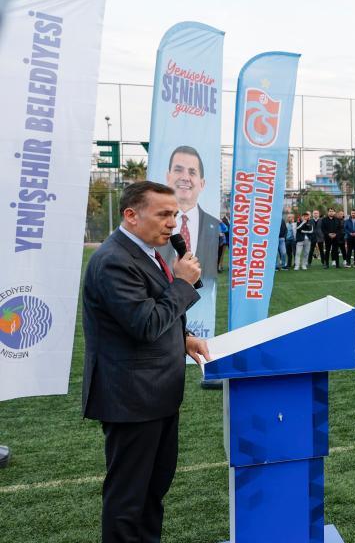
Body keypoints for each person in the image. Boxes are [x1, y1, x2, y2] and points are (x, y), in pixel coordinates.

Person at [81, 181, 209, 543]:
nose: (172, 223)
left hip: (157, 394)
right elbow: (145, 324)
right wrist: (183, 283)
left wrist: (182, 339)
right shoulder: (113, 261)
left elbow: (149, 315)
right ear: (131, 215)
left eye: (175, 215)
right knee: (128, 499)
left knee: (153, 491)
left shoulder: (147, 251)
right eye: (164, 214)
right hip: (132, 399)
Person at [162, 146, 219, 290]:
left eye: (192, 172)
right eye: (178, 170)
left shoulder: (214, 225)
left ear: (202, 183)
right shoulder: (153, 225)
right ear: (168, 177)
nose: (185, 177)